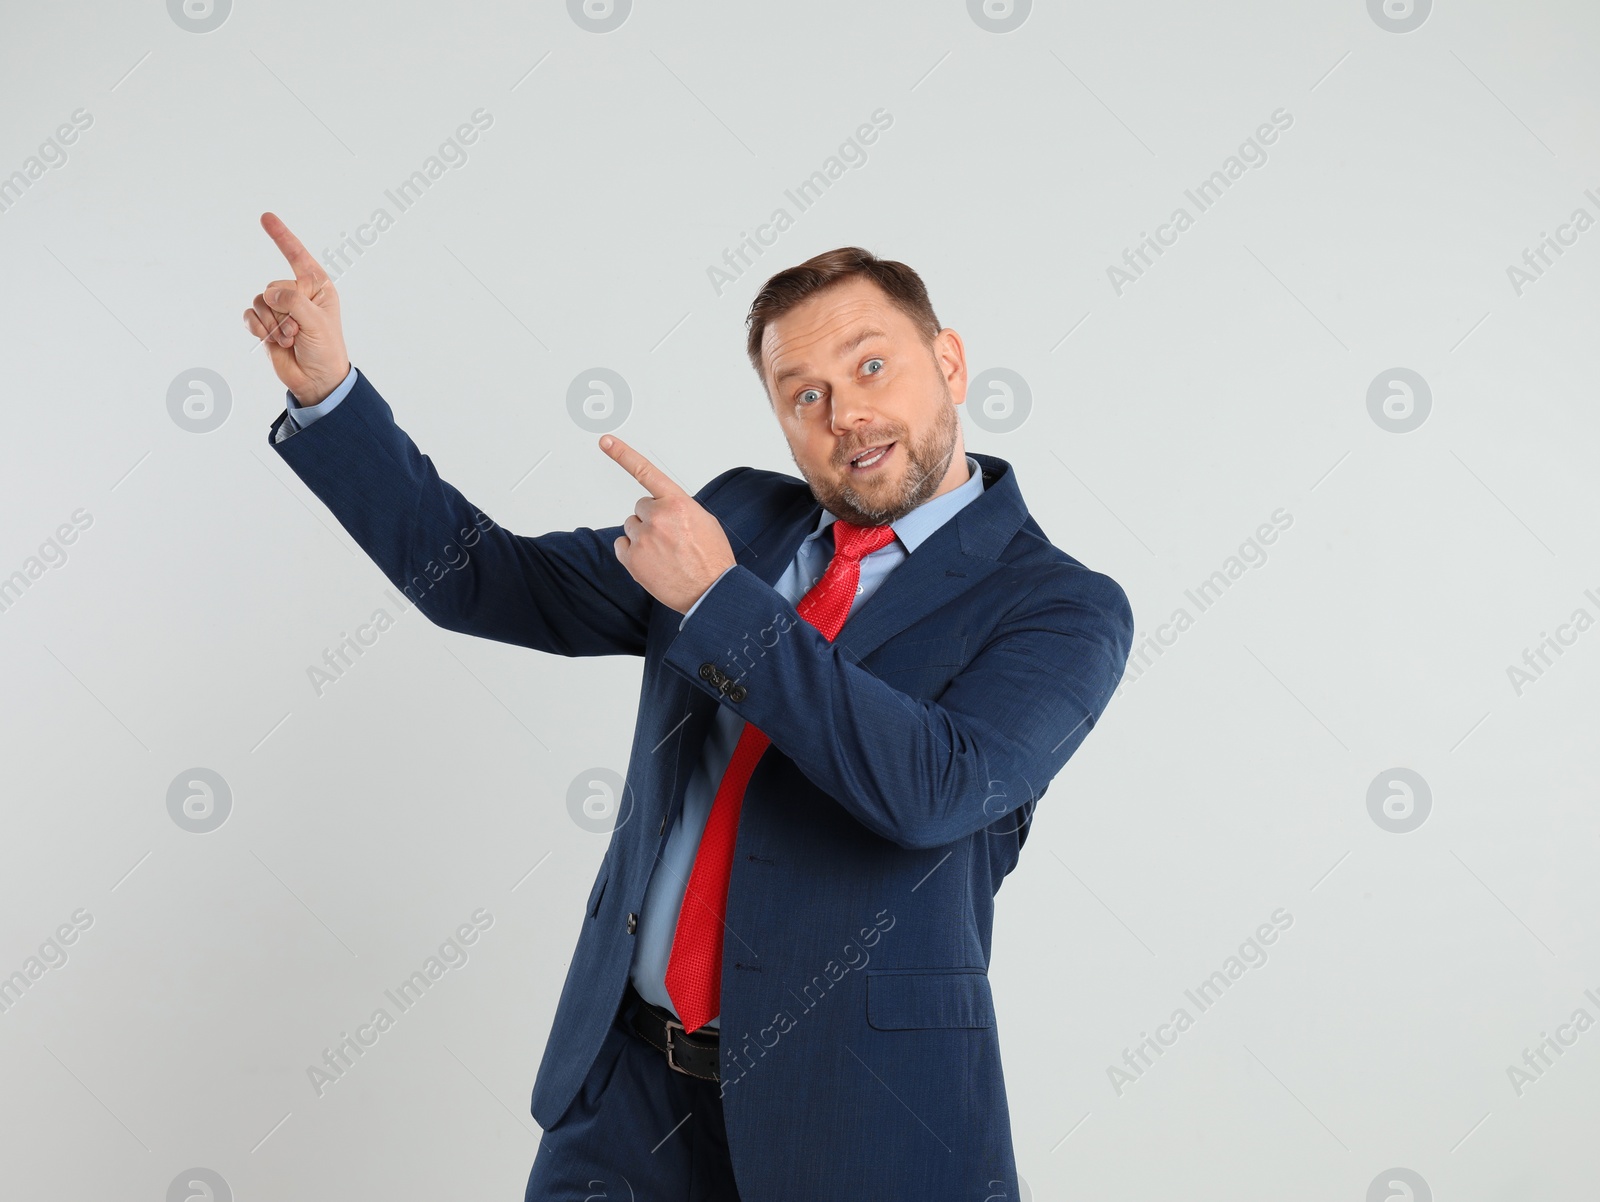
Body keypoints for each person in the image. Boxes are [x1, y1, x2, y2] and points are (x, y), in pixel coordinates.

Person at [244, 212, 1134, 1201]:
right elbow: (483, 581)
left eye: (871, 368)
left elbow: (930, 788)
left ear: (950, 362)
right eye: (805, 395)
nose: (844, 414)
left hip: (865, 1125)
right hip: (626, 1101)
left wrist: (719, 602)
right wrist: (330, 394)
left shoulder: (1058, 605)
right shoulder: (738, 520)